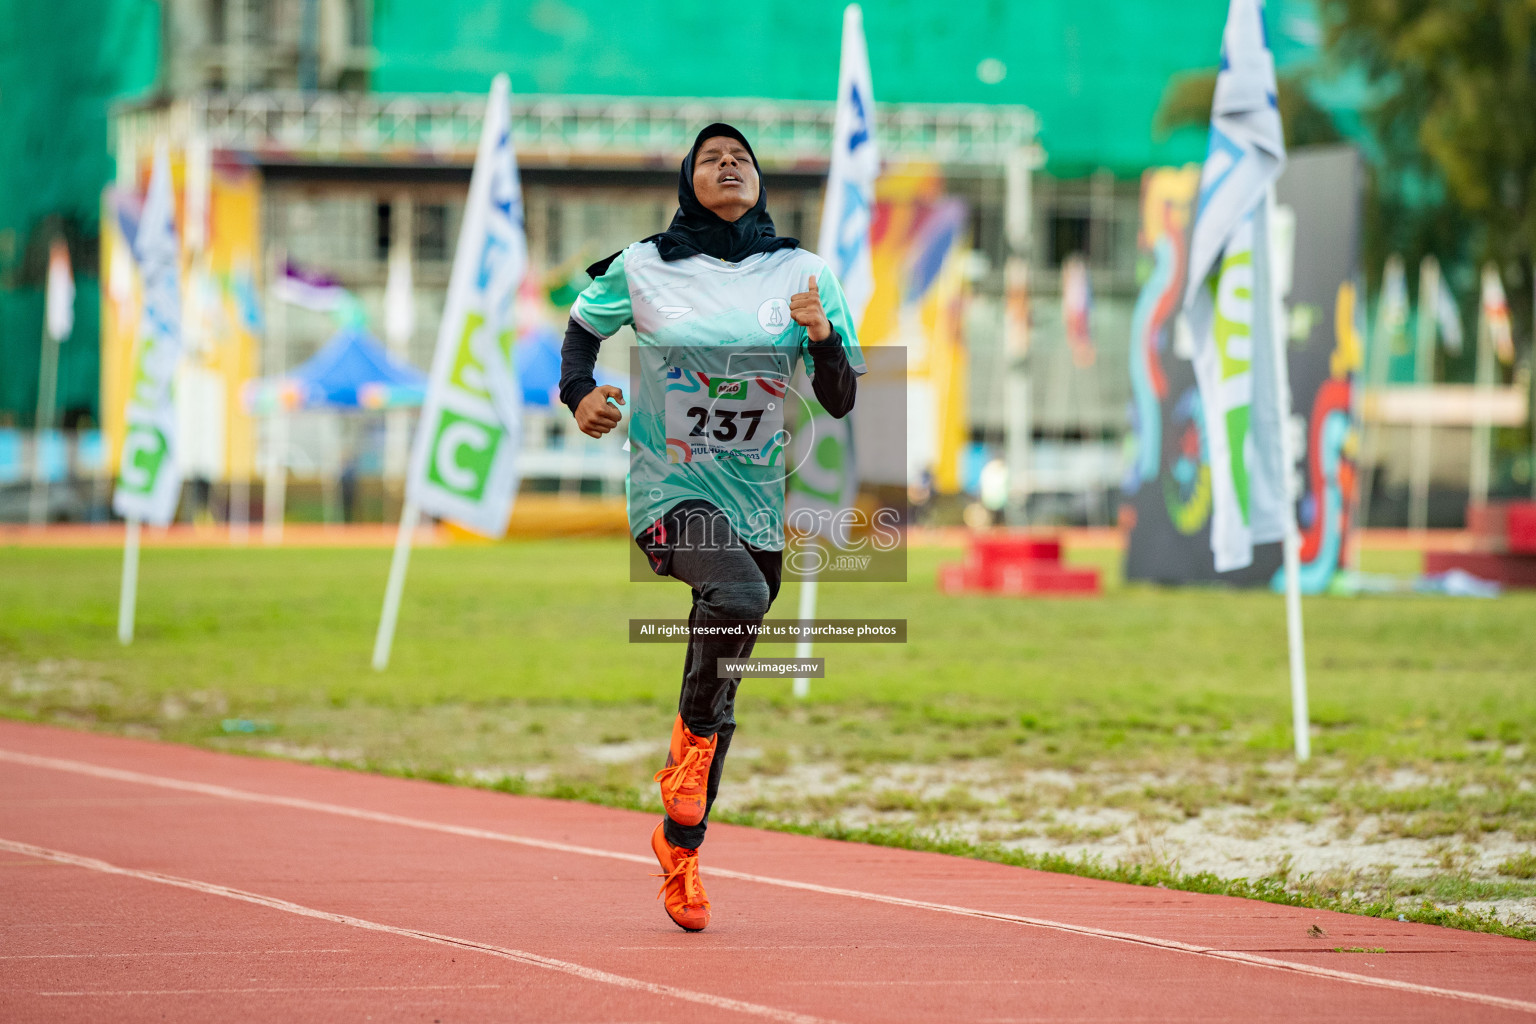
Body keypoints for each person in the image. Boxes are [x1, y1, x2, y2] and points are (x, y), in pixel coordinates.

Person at [559, 123, 865, 931]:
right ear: (687, 180)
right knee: (731, 594)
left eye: (742, 158)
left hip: (758, 503)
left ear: (760, 182)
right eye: (709, 158)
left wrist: (823, 335)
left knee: (722, 678)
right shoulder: (645, 265)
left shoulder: (803, 273)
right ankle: (685, 772)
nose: (727, 166)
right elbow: (583, 326)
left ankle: (681, 850)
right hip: (671, 492)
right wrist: (577, 392)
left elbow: (839, 398)